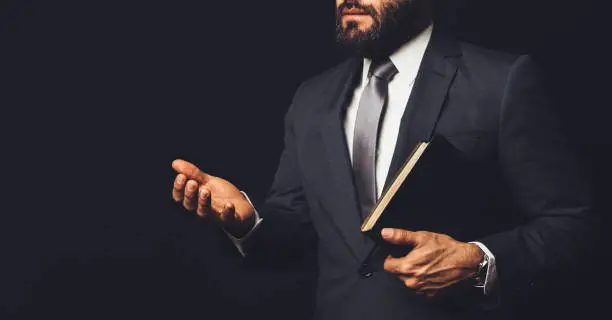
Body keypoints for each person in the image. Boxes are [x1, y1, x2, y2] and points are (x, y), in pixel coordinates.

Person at [170, 0, 596, 319]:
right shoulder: (311, 98)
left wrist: (481, 261)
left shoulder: (502, 81)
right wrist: (245, 221)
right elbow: (296, 225)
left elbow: (572, 224)